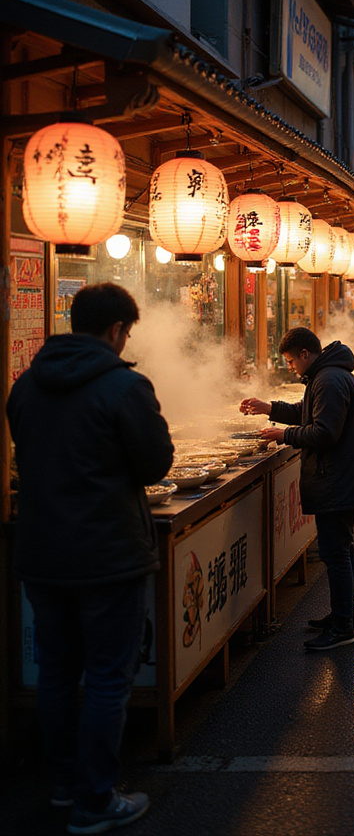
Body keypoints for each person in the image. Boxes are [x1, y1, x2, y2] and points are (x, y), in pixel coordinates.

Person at [6, 282, 174, 834]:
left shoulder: (26, 385)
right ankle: (96, 800)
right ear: (117, 330)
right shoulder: (124, 386)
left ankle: (63, 785)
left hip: (40, 550)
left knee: (56, 673)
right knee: (107, 677)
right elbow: (155, 465)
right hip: (107, 552)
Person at [241, 327, 354, 652]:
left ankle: (343, 626)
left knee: (336, 553)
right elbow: (308, 412)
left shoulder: (329, 380)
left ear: (305, 354)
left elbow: (324, 432)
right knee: (343, 549)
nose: (291, 368)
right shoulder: (327, 376)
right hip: (344, 478)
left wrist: (285, 435)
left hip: (339, 480)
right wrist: (270, 407)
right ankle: (347, 615)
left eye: (291, 361)